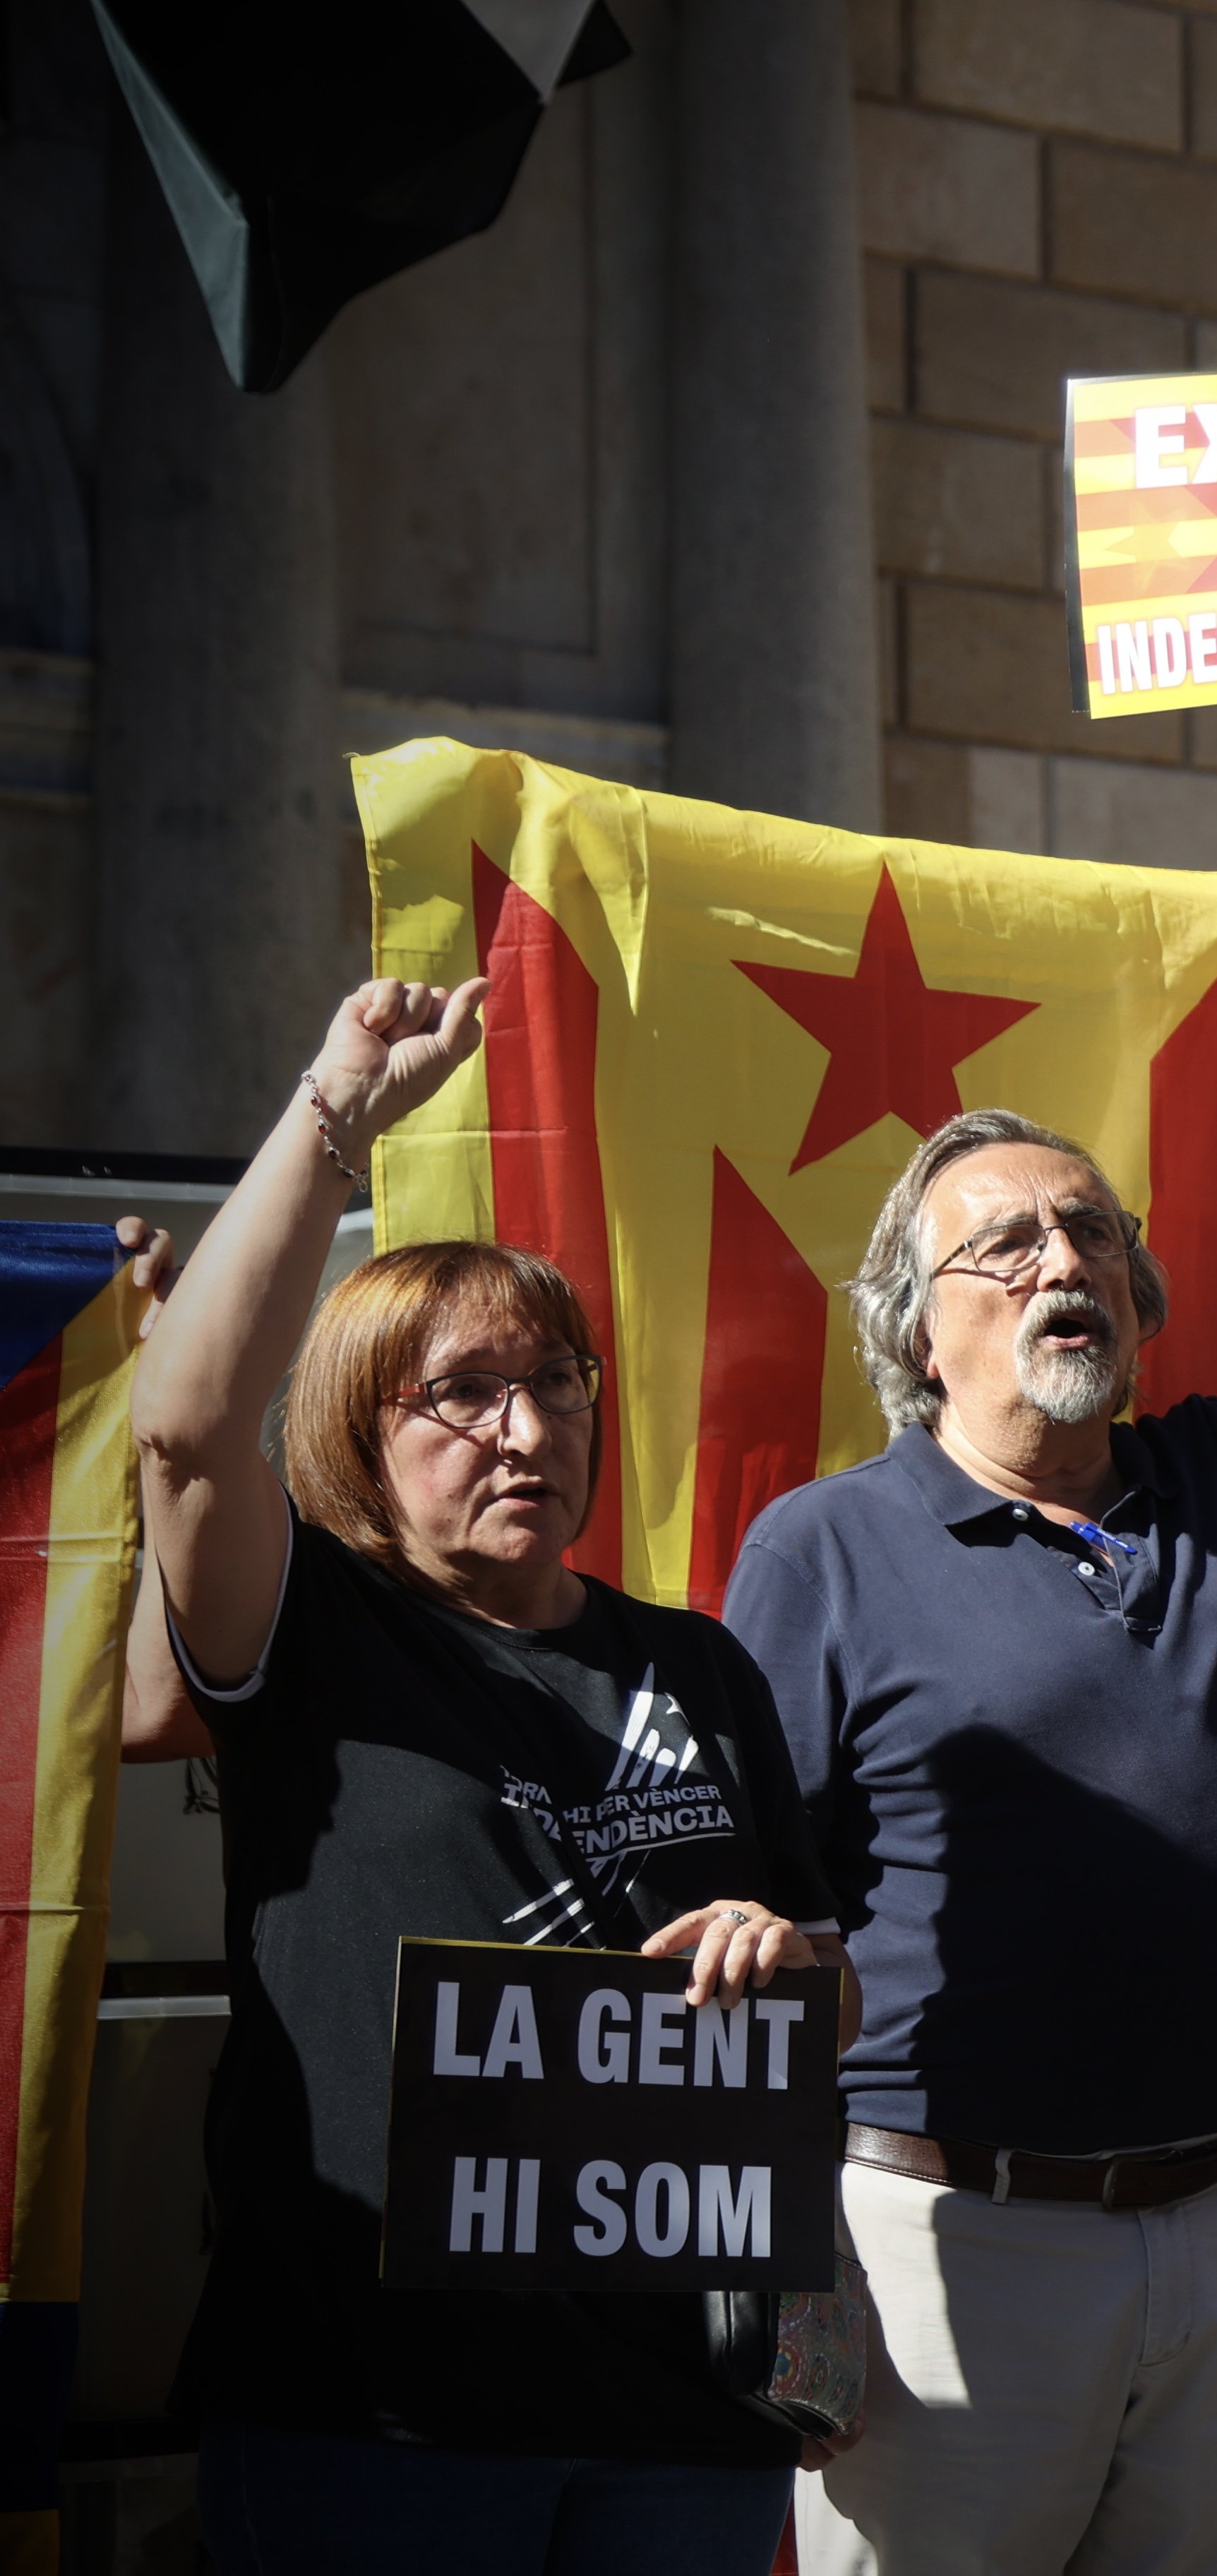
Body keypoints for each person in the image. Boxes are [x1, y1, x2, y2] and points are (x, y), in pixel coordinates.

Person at [136, 977, 840, 2575]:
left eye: (559, 1382)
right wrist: (339, 1112)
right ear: (356, 1428)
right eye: (465, 1393)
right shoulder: (309, 1625)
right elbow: (182, 1436)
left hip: (683, 2427)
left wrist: (788, 1963)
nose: (527, 1431)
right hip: (376, 2424)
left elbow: (827, 2005)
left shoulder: (700, 1664)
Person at [722, 1104, 1217, 2576]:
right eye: (1003, 1245)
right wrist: (784, 2288)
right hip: (950, 2248)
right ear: (917, 1332)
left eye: (1094, 1232)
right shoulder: (821, 1553)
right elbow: (751, 1942)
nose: (1063, 1258)